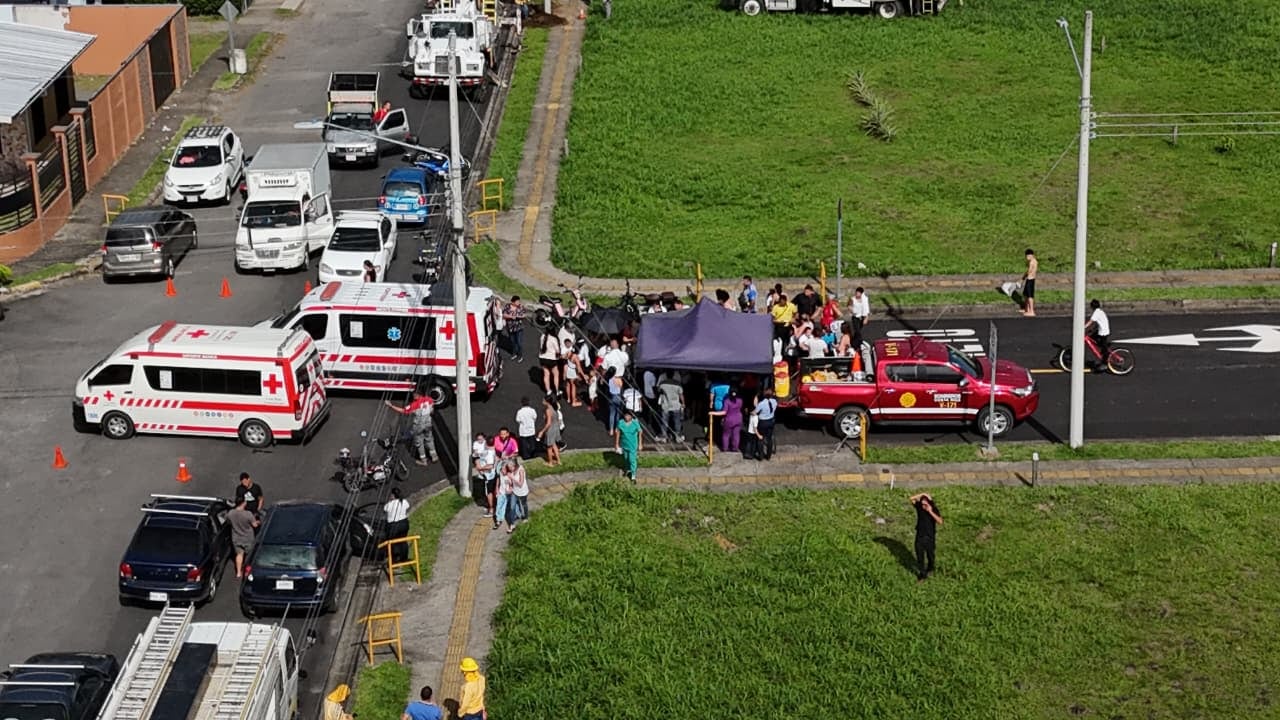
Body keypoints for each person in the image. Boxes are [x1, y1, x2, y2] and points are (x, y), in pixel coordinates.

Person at [386, 387, 438, 466]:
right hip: (428, 424)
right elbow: (432, 410)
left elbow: (404, 410)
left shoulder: (414, 404)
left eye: (414, 395)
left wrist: (391, 406)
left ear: (418, 395)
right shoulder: (429, 400)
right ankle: (434, 456)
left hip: (418, 427)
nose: (413, 396)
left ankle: (424, 461)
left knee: (419, 443)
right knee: (429, 439)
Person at [910, 492, 943, 581]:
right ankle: (922, 575)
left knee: (930, 555)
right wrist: (923, 494)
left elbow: (940, 521)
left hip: (929, 537)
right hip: (920, 536)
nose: (924, 505)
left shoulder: (934, 509)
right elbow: (911, 498)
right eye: (922, 503)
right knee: (920, 556)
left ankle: (930, 568)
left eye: (926, 503)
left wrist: (930, 511)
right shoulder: (919, 508)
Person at [229, 498, 258, 579]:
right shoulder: (248, 514)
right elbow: (255, 525)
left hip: (236, 538)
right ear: (243, 503)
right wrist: (257, 522)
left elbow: (228, 521)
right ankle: (247, 572)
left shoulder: (231, 513)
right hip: (247, 538)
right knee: (249, 556)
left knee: (239, 554)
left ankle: (238, 572)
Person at [472, 434, 497, 522]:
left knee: (489, 492)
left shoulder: (489, 453)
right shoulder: (490, 450)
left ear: (486, 443)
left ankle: (491, 509)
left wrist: (480, 468)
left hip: (489, 476)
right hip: (489, 475)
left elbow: (490, 466)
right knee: (492, 491)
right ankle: (492, 505)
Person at [614, 408, 642, 482]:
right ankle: (627, 469)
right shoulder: (621, 422)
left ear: (631, 416)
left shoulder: (635, 423)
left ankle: (633, 475)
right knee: (626, 458)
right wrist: (616, 444)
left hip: (633, 445)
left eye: (629, 416)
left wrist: (640, 444)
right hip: (624, 445)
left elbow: (640, 432)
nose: (627, 417)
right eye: (626, 415)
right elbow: (618, 433)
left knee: (632, 460)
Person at [656, 372, 684, 443]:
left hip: (666, 405)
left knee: (664, 422)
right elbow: (681, 395)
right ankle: (677, 437)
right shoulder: (677, 384)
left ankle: (664, 437)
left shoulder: (662, 384)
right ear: (673, 375)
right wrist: (683, 403)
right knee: (677, 422)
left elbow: (658, 390)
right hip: (676, 405)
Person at [384, 487, 411, 562]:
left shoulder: (389, 504)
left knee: (391, 542)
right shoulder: (404, 501)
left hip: (393, 525)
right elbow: (407, 506)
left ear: (393, 495)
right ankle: (404, 558)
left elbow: (385, 509)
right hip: (404, 523)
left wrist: (390, 501)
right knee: (403, 540)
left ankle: (393, 559)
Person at [501, 457, 529, 523]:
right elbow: (512, 482)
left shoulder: (521, 470)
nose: (509, 469)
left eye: (510, 467)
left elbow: (520, 484)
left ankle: (526, 517)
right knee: (512, 506)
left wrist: (512, 478)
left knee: (524, 504)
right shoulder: (512, 470)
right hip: (514, 491)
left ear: (514, 465)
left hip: (522, 491)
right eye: (509, 467)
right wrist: (509, 482)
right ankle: (512, 522)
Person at [537, 393, 562, 467]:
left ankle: (550, 463)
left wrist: (542, 431)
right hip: (556, 428)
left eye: (544, 400)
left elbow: (548, 423)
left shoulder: (548, 410)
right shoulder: (554, 407)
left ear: (547, 402)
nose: (542, 401)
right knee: (554, 444)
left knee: (549, 446)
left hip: (550, 429)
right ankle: (558, 461)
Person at [755, 388, 778, 460]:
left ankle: (761, 456)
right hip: (771, 421)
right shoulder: (774, 401)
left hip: (763, 422)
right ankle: (768, 456)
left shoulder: (761, 404)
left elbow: (755, 412)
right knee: (769, 438)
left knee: (760, 438)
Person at [502, 295, 526, 362]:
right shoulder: (507, 306)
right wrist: (511, 316)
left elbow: (524, 315)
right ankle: (514, 353)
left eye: (519, 301)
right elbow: (504, 314)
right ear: (513, 302)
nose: (518, 303)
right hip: (510, 327)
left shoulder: (521, 307)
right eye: (517, 301)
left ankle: (520, 355)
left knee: (519, 342)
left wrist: (518, 316)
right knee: (512, 342)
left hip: (519, 327)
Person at [537, 328, 561, 395]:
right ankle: (557, 391)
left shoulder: (542, 336)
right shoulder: (553, 339)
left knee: (546, 374)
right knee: (556, 374)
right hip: (551, 359)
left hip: (543, 358)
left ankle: (548, 390)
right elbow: (557, 351)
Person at [494, 460, 515, 533]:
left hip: (507, 494)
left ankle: (501, 519)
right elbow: (498, 481)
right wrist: (497, 489)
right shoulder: (500, 473)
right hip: (501, 492)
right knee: (498, 506)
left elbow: (513, 484)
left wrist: (510, 487)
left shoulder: (509, 475)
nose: (502, 471)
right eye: (501, 469)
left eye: (504, 469)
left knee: (504, 507)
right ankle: (498, 520)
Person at [720, 388, 743, 453]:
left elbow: (724, 412)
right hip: (738, 419)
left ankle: (725, 447)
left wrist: (714, 413)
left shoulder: (727, 401)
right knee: (736, 435)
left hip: (729, 419)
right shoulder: (740, 400)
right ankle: (735, 448)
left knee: (726, 435)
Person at [604, 366, 624, 431]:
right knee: (617, 414)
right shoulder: (618, 379)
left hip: (611, 397)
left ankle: (611, 430)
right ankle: (616, 428)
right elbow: (621, 389)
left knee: (612, 414)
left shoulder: (608, 379)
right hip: (618, 397)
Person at [1021, 248, 1038, 317]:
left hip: (1030, 280)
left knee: (1030, 296)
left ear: (1032, 255)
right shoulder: (1034, 261)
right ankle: (1026, 309)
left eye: (1028, 256)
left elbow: (1029, 271)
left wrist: (1023, 276)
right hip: (1029, 280)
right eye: (1026, 256)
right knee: (1026, 294)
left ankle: (1032, 311)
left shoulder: (1032, 262)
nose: (1027, 258)